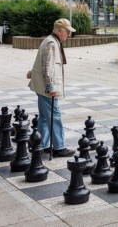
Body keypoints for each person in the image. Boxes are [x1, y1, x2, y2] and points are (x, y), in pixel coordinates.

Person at [26, 18, 76, 157]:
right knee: (55, 116)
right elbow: (47, 67)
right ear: (60, 31)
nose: (69, 35)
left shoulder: (51, 41)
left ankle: (42, 145)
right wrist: (50, 86)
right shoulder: (52, 44)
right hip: (46, 88)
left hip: (42, 86)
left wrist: (32, 72)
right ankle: (59, 147)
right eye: (67, 32)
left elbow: (43, 62)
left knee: (43, 117)